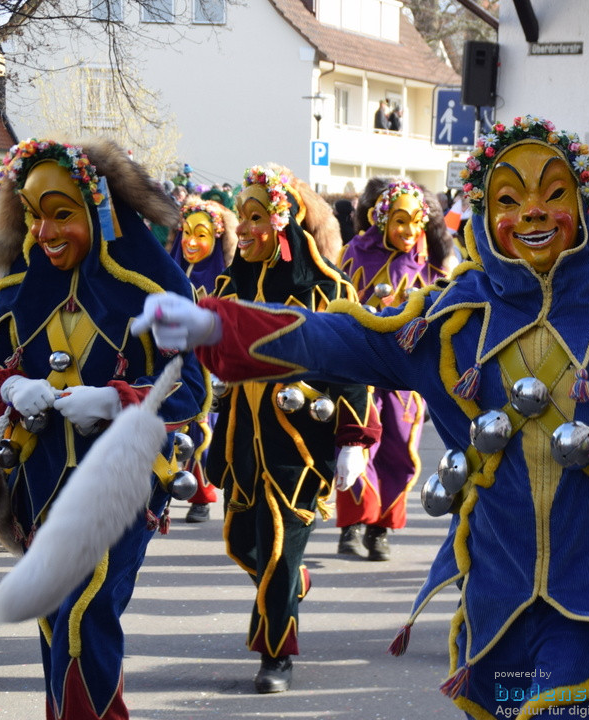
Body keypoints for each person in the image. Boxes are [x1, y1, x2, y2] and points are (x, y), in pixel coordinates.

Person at [134, 115, 589, 718]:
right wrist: (214, 325)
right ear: (484, 212)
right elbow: (346, 336)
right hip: (495, 593)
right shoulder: (455, 320)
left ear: (584, 205)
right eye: (510, 197)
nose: (532, 212)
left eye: (552, 194)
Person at [0, 138, 206, 720]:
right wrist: (13, 389)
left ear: (98, 213)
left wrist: (115, 401)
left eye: (62, 214)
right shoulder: (16, 291)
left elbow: (191, 390)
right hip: (39, 482)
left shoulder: (155, 292)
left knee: (83, 610)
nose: (44, 232)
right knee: (56, 615)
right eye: (34, 213)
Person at [201, 164, 376, 693]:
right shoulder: (229, 284)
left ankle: (274, 654)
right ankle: (291, 586)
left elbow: (353, 363)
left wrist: (353, 440)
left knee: (278, 547)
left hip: (298, 442)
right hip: (239, 441)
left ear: (282, 224)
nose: (245, 229)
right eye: (242, 218)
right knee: (242, 544)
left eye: (256, 217)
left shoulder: (325, 287)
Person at [336, 179, 446, 560]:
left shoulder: (430, 267)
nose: (411, 231)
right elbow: (335, 304)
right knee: (358, 438)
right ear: (379, 220)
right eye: (401, 221)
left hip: (405, 373)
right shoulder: (351, 256)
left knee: (399, 447)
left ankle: (380, 528)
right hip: (360, 365)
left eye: (417, 221)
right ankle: (352, 523)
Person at [168, 196, 238, 522]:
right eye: (186, 233)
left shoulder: (224, 279)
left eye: (202, 234)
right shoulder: (168, 269)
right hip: (169, 360)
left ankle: (200, 494)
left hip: (205, 363)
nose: (191, 242)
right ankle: (164, 486)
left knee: (199, 429)